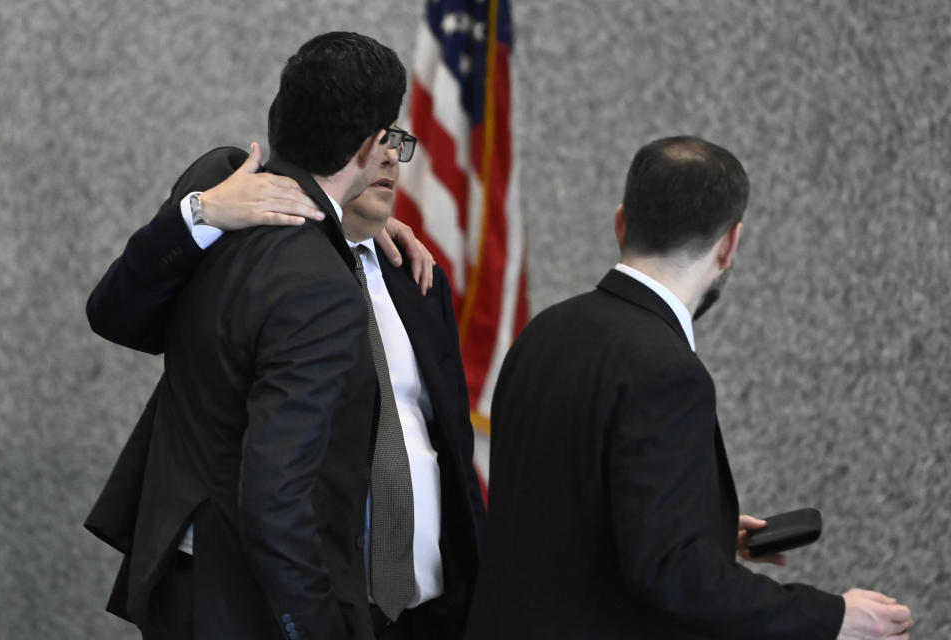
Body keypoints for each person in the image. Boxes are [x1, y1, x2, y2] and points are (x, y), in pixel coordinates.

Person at [85, 31, 481, 640]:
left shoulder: (414, 275)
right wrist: (202, 213)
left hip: (422, 606)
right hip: (281, 594)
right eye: (391, 141)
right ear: (370, 146)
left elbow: (448, 443)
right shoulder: (241, 216)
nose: (395, 161)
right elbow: (116, 312)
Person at [464, 136, 913, 639]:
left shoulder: (542, 333)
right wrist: (834, 617)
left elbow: (560, 506)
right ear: (729, 244)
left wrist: (702, 525)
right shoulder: (667, 370)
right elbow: (671, 574)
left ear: (621, 223)